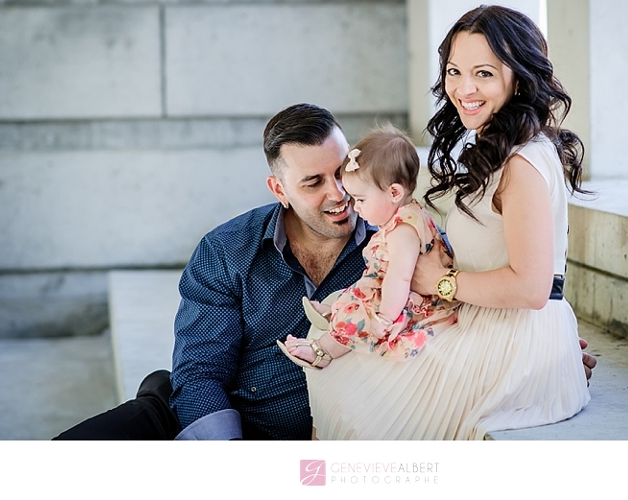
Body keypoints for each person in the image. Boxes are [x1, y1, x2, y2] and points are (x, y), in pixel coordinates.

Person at [53, 101, 596, 440]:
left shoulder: (399, 247)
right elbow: (199, 375)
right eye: (313, 183)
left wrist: (537, 356)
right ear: (279, 189)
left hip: (312, 447)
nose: (338, 195)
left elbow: (452, 309)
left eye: (342, 174)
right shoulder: (226, 251)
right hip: (209, 428)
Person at [303, 4, 592, 440]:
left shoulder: (523, 164)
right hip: (495, 327)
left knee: (348, 381)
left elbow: (533, 289)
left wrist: (437, 281)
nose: (463, 88)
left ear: (519, 79)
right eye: (455, 72)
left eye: (484, 74)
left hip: (512, 344)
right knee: (337, 339)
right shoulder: (501, 150)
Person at [278, 125, 458, 369]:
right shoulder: (402, 216)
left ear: (394, 192)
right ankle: (336, 312)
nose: (355, 206)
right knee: (355, 294)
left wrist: (384, 317)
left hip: (405, 301)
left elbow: (401, 277)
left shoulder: (404, 230)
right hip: (389, 290)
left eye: (361, 199)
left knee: (360, 318)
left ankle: (323, 350)